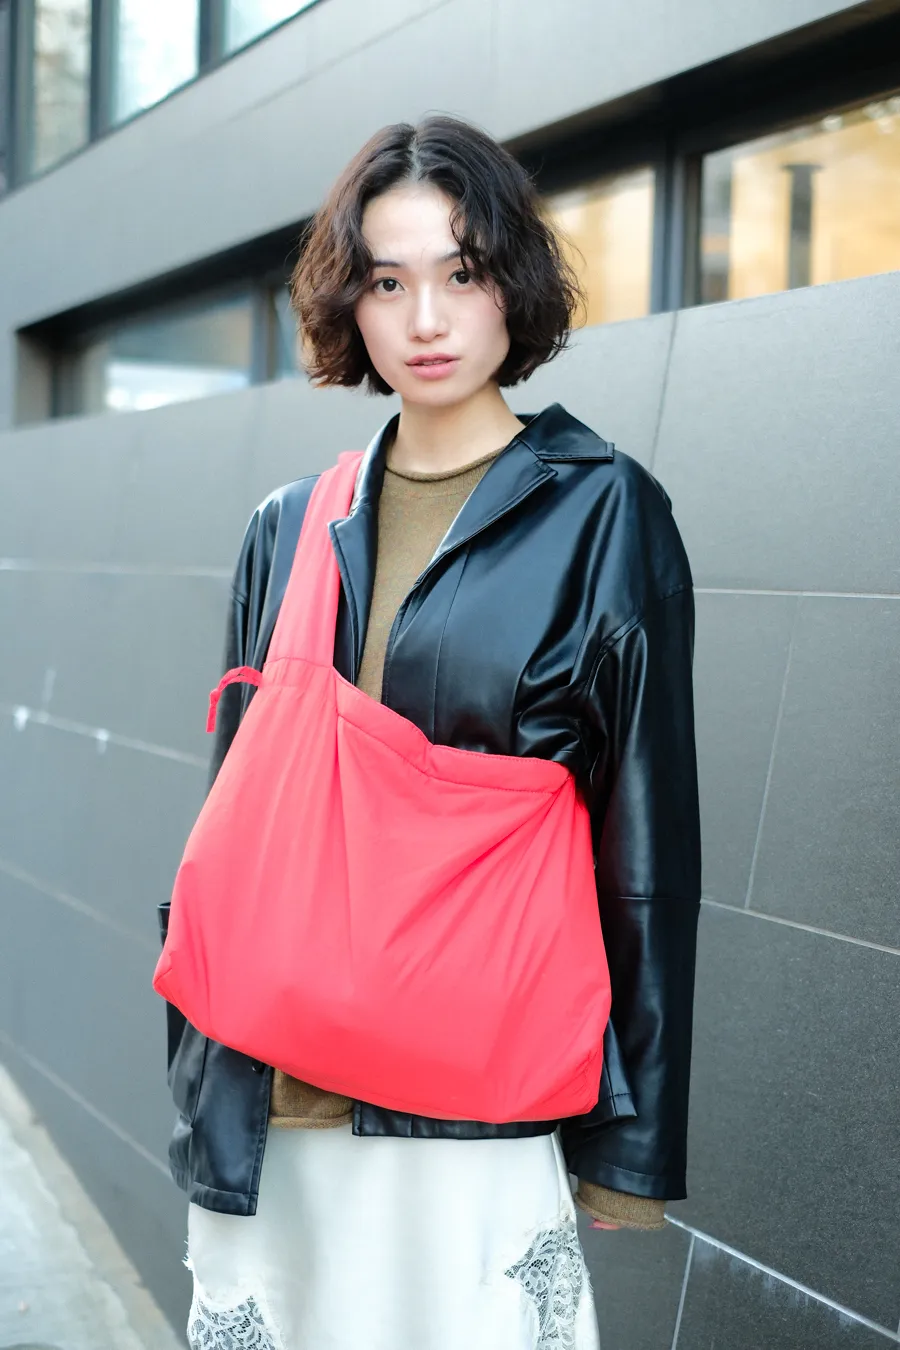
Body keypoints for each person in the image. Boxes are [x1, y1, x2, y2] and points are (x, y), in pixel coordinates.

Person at [157, 112, 701, 1349]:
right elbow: (237, 822)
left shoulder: (605, 515)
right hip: (270, 1095)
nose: (428, 320)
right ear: (349, 304)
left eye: (462, 273)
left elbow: (647, 840)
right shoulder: (289, 525)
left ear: (514, 281)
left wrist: (630, 1145)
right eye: (389, 283)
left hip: (468, 1103)